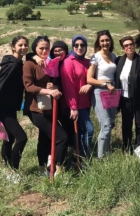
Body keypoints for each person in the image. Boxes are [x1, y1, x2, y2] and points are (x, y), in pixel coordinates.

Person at [23, 36, 67, 176]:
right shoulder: (29, 64)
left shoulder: (52, 63)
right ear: (35, 49)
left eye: (47, 48)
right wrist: (48, 90)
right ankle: (58, 169)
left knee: (44, 138)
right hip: (35, 109)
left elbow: (58, 83)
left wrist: (53, 86)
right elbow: (29, 86)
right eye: (41, 48)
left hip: (50, 108)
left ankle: (43, 169)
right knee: (62, 137)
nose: (44, 51)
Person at [115, 36, 140, 152]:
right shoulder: (119, 61)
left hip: (139, 99)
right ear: (123, 48)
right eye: (126, 45)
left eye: (130, 44)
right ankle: (126, 147)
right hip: (124, 99)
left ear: (134, 45)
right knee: (126, 125)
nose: (129, 47)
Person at [0, 36, 29, 183]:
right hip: (3, 109)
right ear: (13, 47)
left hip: (10, 108)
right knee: (22, 137)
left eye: (25, 45)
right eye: (20, 45)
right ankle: (14, 171)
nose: (23, 47)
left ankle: (6, 167)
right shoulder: (14, 65)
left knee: (9, 139)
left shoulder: (17, 62)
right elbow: (2, 84)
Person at [60, 35, 94, 159]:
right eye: (76, 45)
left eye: (82, 45)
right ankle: (84, 157)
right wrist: (73, 106)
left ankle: (76, 156)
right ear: (72, 46)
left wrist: (90, 84)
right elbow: (68, 86)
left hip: (85, 103)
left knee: (81, 132)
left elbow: (92, 80)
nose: (79, 48)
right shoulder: (68, 62)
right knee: (89, 130)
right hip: (75, 104)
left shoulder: (87, 62)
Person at [87, 30, 117, 159]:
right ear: (99, 43)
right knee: (105, 124)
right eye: (102, 41)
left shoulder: (114, 56)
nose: (105, 43)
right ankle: (100, 157)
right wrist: (105, 84)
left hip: (112, 92)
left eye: (107, 40)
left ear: (110, 41)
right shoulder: (96, 57)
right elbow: (89, 79)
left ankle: (107, 151)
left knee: (111, 123)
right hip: (100, 92)